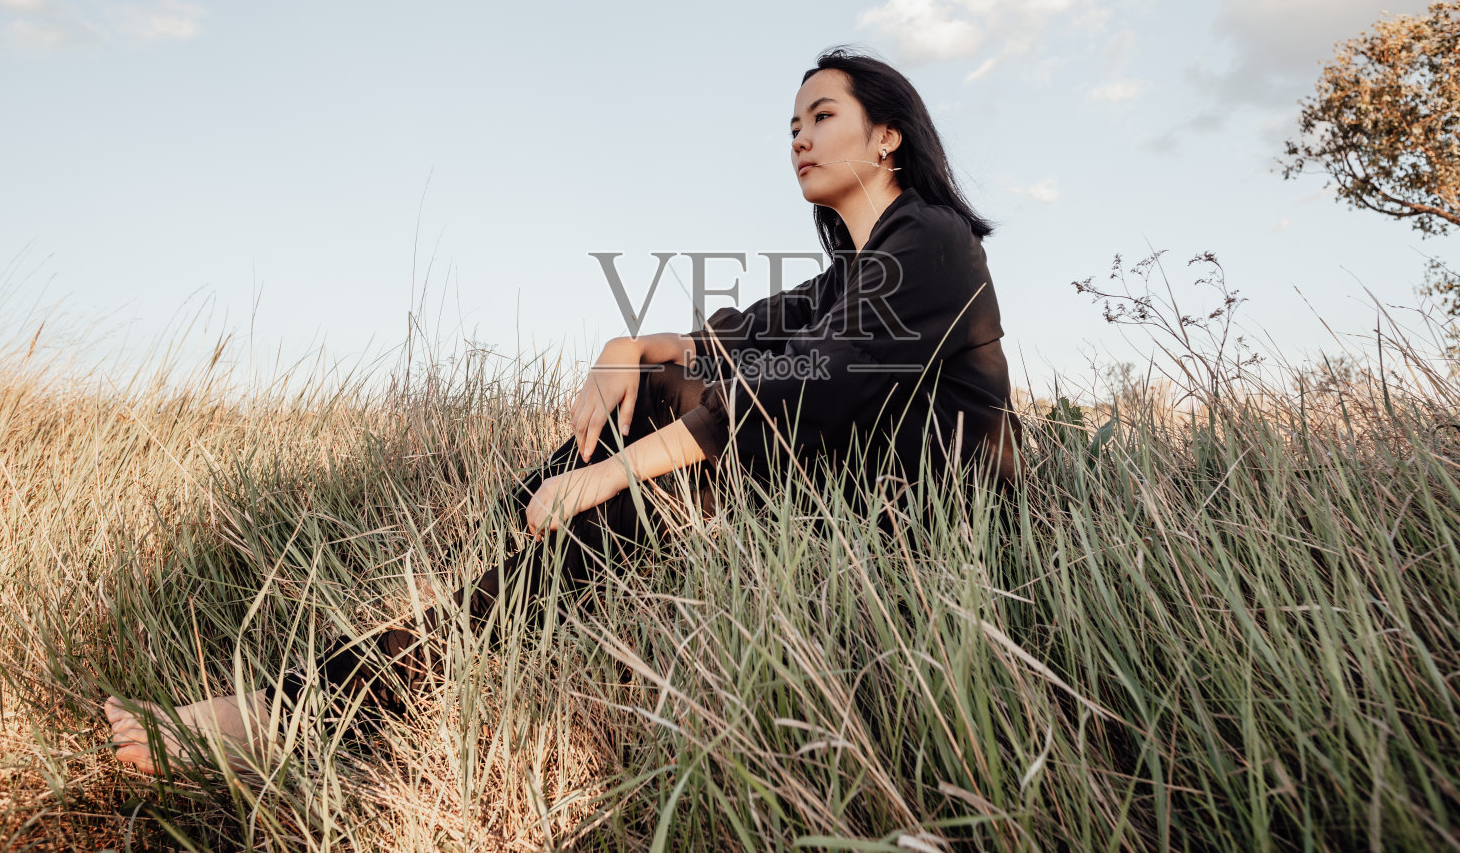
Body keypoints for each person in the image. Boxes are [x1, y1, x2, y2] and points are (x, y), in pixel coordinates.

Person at [103, 47, 1024, 775]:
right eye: (790, 124)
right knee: (641, 417)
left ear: (889, 136)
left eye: (823, 116)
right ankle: (470, 592)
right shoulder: (847, 277)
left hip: (928, 527)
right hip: (842, 501)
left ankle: (308, 701)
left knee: (629, 474)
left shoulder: (932, 243)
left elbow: (794, 397)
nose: (798, 138)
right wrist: (621, 346)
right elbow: (721, 341)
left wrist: (606, 471)